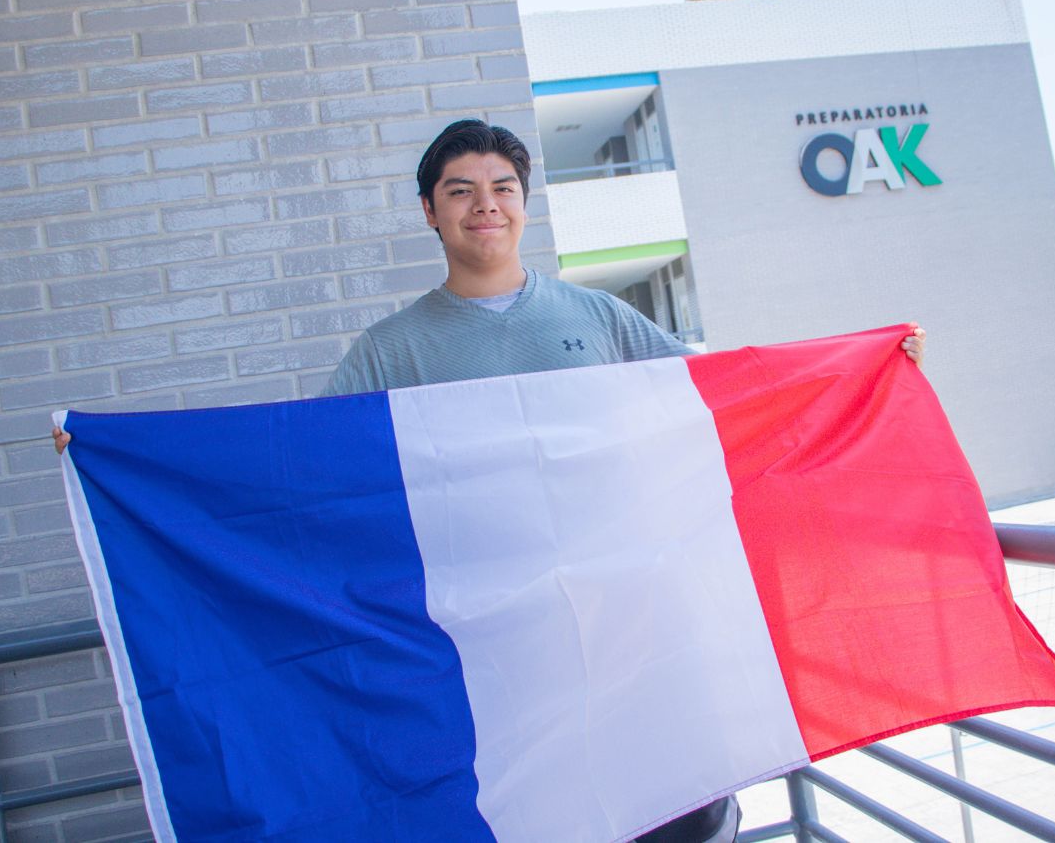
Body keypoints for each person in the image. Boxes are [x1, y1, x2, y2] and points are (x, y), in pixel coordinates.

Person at [52, 119, 925, 841]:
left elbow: (721, 405)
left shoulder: (598, 317)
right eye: (462, 190)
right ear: (429, 211)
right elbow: (301, 473)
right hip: (497, 639)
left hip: (631, 617)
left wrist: (863, 368)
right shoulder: (391, 349)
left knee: (681, 804)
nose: (485, 205)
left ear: (524, 203)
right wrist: (113, 459)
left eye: (503, 186)